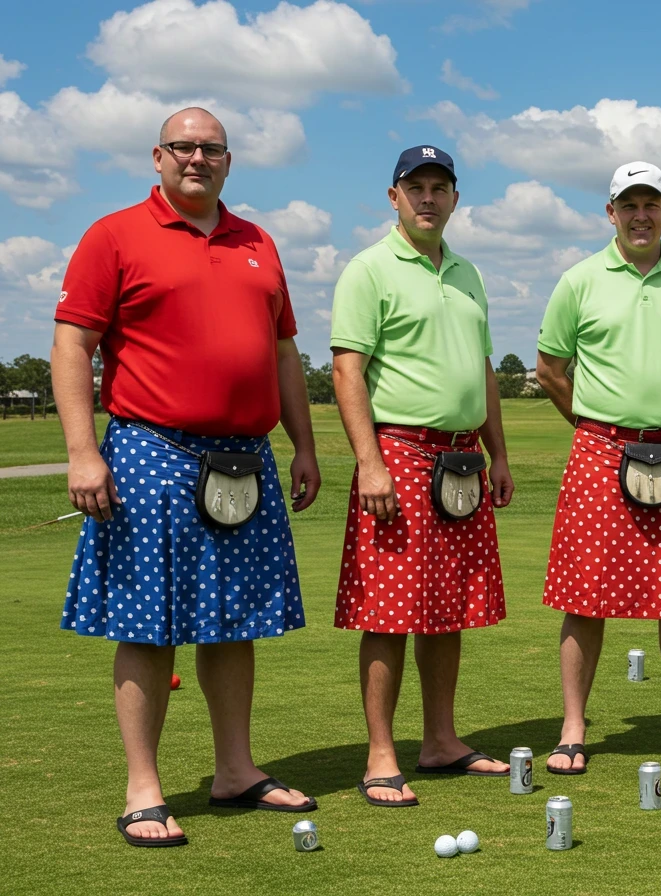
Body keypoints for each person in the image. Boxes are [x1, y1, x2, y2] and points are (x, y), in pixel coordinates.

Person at [53, 108, 320, 847]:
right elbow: (73, 345)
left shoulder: (257, 240)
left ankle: (235, 770)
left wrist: (303, 443)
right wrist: (83, 451)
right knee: (148, 625)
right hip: (151, 451)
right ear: (158, 155)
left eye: (211, 149)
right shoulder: (113, 235)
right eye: (183, 147)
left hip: (246, 457)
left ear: (228, 160)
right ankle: (144, 788)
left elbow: (284, 353)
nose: (197, 158)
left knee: (236, 622)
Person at [536, 162, 661, 774]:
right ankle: (573, 727)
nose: (640, 215)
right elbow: (550, 369)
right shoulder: (579, 280)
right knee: (583, 597)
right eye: (629, 205)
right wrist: (595, 426)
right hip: (600, 451)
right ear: (611, 212)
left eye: (651, 204)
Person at [330, 145, 513, 806]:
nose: (428, 198)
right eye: (416, 187)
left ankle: (440, 739)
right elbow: (347, 369)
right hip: (400, 455)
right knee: (389, 613)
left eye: (439, 187)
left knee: (448, 608)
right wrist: (369, 462)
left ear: (455, 198)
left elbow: (481, 370)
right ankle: (381, 754)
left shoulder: (467, 273)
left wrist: (498, 453)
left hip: (463, 457)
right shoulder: (368, 269)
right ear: (394, 197)